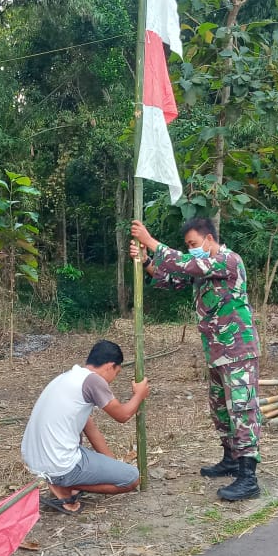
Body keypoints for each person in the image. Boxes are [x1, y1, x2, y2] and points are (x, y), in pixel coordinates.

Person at [129, 217, 262, 501]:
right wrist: (145, 262)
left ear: (209, 239)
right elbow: (172, 280)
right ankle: (230, 459)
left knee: (242, 409)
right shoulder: (203, 268)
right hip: (216, 350)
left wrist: (151, 241)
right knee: (221, 408)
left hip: (238, 348)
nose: (191, 250)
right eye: (188, 246)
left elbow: (185, 264)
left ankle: (248, 477)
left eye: (193, 244)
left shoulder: (228, 260)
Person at [21, 340, 149, 515]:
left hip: (38, 459)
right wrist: (139, 394)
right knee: (131, 478)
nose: (113, 379)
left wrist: (112, 465)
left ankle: (62, 480)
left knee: (117, 470)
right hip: (60, 464)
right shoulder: (93, 381)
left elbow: (90, 428)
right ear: (111, 366)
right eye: (116, 373)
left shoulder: (68, 377)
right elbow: (123, 415)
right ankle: (64, 485)